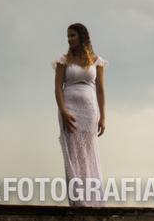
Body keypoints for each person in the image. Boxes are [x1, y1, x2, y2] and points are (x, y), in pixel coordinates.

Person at [54, 23, 107, 207]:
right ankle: (78, 202)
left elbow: (100, 90)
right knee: (73, 155)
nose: (69, 39)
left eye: (72, 35)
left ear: (82, 36)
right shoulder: (63, 60)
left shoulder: (97, 61)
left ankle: (92, 200)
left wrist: (103, 117)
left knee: (88, 155)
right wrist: (63, 111)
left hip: (89, 111)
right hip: (69, 111)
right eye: (68, 36)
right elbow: (57, 88)